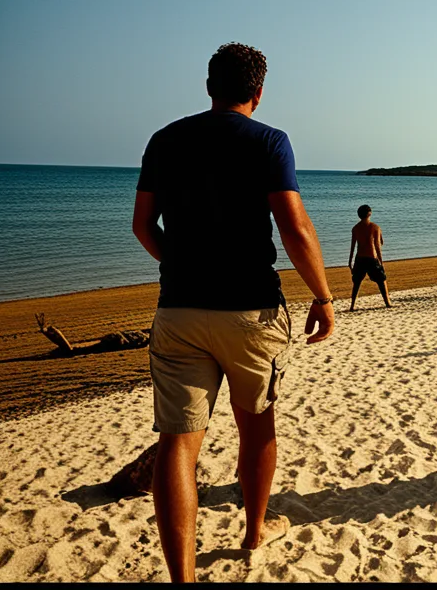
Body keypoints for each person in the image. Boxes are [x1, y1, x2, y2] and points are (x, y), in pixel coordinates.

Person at [132, 42, 335, 582]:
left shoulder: (165, 139)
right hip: (250, 311)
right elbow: (294, 227)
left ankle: (182, 578)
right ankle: (253, 533)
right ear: (258, 92)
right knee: (256, 426)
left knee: (178, 445)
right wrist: (322, 296)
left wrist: (178, 261)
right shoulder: (269, 140)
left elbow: (142, 226)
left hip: (178, 309)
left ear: (208, 87)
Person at [349, 204, 392, 311]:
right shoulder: (375, 227)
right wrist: (381, 262)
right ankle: (387, 302)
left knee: (357, 283)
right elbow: (378, 246)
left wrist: (350, 261)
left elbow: (353, 246)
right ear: (369, 214)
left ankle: (352, 305)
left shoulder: (355, 228)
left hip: (359, 258)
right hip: (372, 258)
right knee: (381, 280)